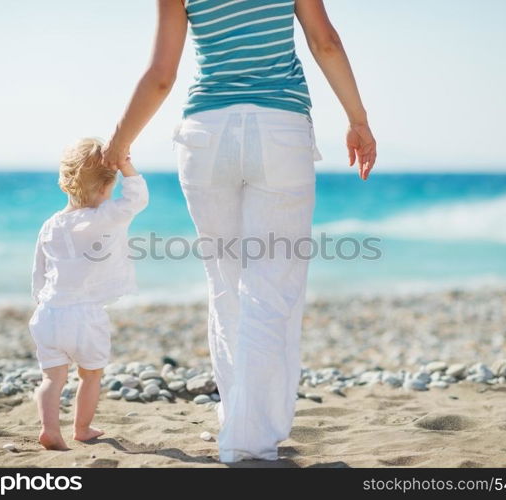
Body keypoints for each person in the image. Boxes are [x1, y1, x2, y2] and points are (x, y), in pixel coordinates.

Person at [102, 0, 376, 463]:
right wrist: (358, 120)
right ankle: (250, 440)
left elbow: (162, 75)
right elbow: (324, 41)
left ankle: (239, 424)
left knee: (226, 286)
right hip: (280, 130)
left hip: (205, 135)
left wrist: (120, 142)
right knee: (272, 289)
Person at [29, 138, 148, 450]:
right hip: (85, 315)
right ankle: (81, 429)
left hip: (49, 312)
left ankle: (49, 429)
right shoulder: (104, 216)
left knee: (51, 379)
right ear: (104, 189)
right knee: (90, 375)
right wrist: (125, 165)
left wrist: (41, 301)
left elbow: (38, 271)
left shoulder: (50, 225)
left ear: (65, 183)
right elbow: (137, 198)